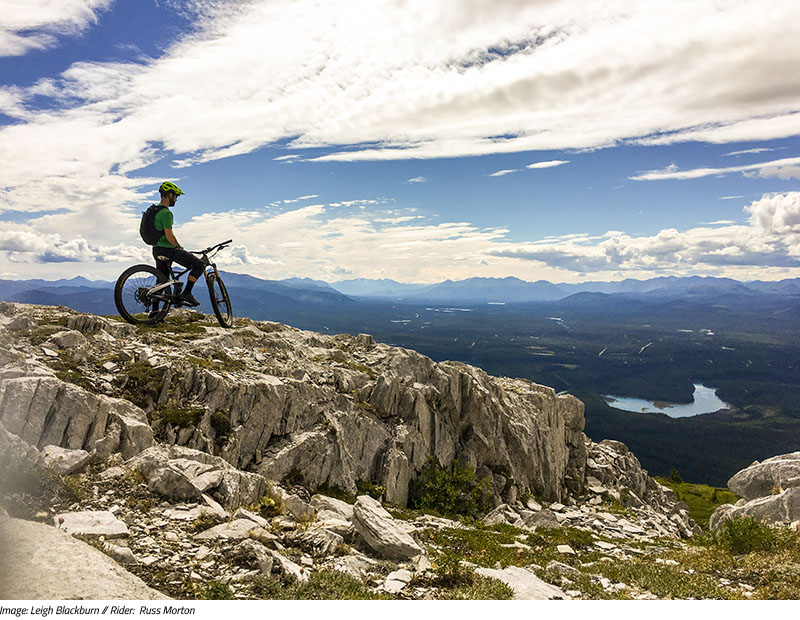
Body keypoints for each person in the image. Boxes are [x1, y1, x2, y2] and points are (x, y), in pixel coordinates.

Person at [151, 181, 204, 310]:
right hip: (168, 250)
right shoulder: (166, 213)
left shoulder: (154, 211)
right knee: (199, 265)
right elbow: (169, 236)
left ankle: (155, 312)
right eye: (176, 196)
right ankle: (186, 293)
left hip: (157, 250)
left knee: (162, 281)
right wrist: (179, 247)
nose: (176, 199)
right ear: (169, 195)